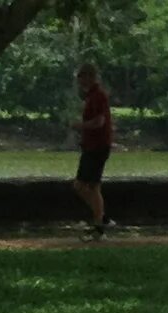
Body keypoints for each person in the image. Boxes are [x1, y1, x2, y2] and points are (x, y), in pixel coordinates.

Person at [73, 63, 113, 236]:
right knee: (81, 185)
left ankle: (99, 226)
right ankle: (101, 217)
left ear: (90, 77)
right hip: (91, 146)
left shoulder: (98, 96)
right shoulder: (90, 96)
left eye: (81, 76)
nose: (79, 80)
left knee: (91, 186)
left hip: (98, 146)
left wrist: (79, 126)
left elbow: (100, 122)